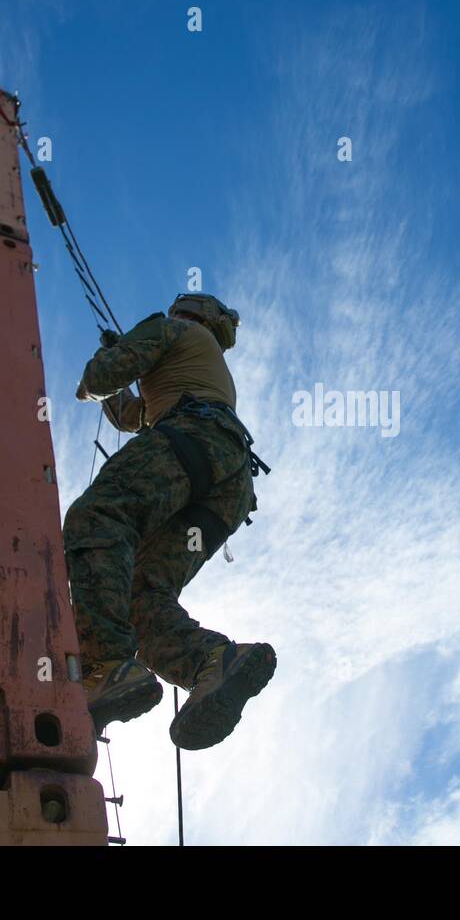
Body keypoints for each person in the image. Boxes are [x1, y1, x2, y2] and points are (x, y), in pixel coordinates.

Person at [64, 293, 274, 751]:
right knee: (142, 591)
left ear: (186, 311)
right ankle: (213, 661)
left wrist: (109, 358)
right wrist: (123, 379)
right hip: (228, 486)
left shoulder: (171, 329)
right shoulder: (201, 360)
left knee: (98, 517)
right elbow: (129, 415)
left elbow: (98, 379)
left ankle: (107, 665)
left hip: (190, 443)